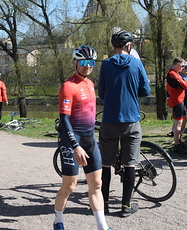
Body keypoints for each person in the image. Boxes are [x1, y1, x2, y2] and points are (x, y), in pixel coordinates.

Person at [53, 46, 112, 230]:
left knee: (96, 184)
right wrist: (75, 146)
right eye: (84, 62)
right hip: (72, 140)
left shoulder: (90, 83)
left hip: (89, 138)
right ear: (75, 63)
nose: (88, 66)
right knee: (70, 186)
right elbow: (64, 119)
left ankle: (102, 227)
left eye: (92, 63)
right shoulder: (68, 86)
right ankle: (58, 220)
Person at [98, 30, 150, 217]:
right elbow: (145, 89)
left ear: (114, 47)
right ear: (129, 46)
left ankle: (103, 205)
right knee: (130, 164)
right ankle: (126, 206)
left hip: (110, 120)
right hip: (131, 120)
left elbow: (102, 93)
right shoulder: (137, 63)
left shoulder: (105, 64)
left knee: (105, 164)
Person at [166, 57, 187, 153]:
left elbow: (184, 84)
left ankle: (179, 140)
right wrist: (185, 81)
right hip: (177, 100)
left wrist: (184, 81)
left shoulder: (176, 74)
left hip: (180, 99)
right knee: (178, 123)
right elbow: (185, 85)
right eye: (182, 66)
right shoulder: (172, 74)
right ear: (177, 65)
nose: (183, 68)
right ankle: (176, 144)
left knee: (183, 120)